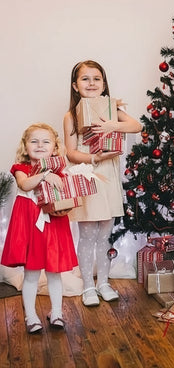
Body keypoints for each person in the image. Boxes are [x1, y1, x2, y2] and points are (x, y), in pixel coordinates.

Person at [63, 60, 142, 307]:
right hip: (88, 176)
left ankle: (103, 282)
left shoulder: (111, 108)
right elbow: (71, 153)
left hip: (109, 178)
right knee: (87, 235)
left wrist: (111, 125)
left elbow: (136, 125)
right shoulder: (70, 116)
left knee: (105, 235)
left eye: (97, 78)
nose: (91, 83)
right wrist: (95, 157)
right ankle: (88, 285)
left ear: (104, 83)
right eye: (85, 79)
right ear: (75, 86)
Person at [1, 123, 78, 333]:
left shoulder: (60, 170)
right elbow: (25, 185)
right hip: (29, 225)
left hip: (53, 224)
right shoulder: (21, 168)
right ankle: (31, 315)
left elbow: (67, 196)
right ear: (25, 147)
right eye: (34, 141)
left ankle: (57, 312)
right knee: (32, 273)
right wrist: (45, 175)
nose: (40, 145)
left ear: (54, 147)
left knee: (54, 273)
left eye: (46, 141)